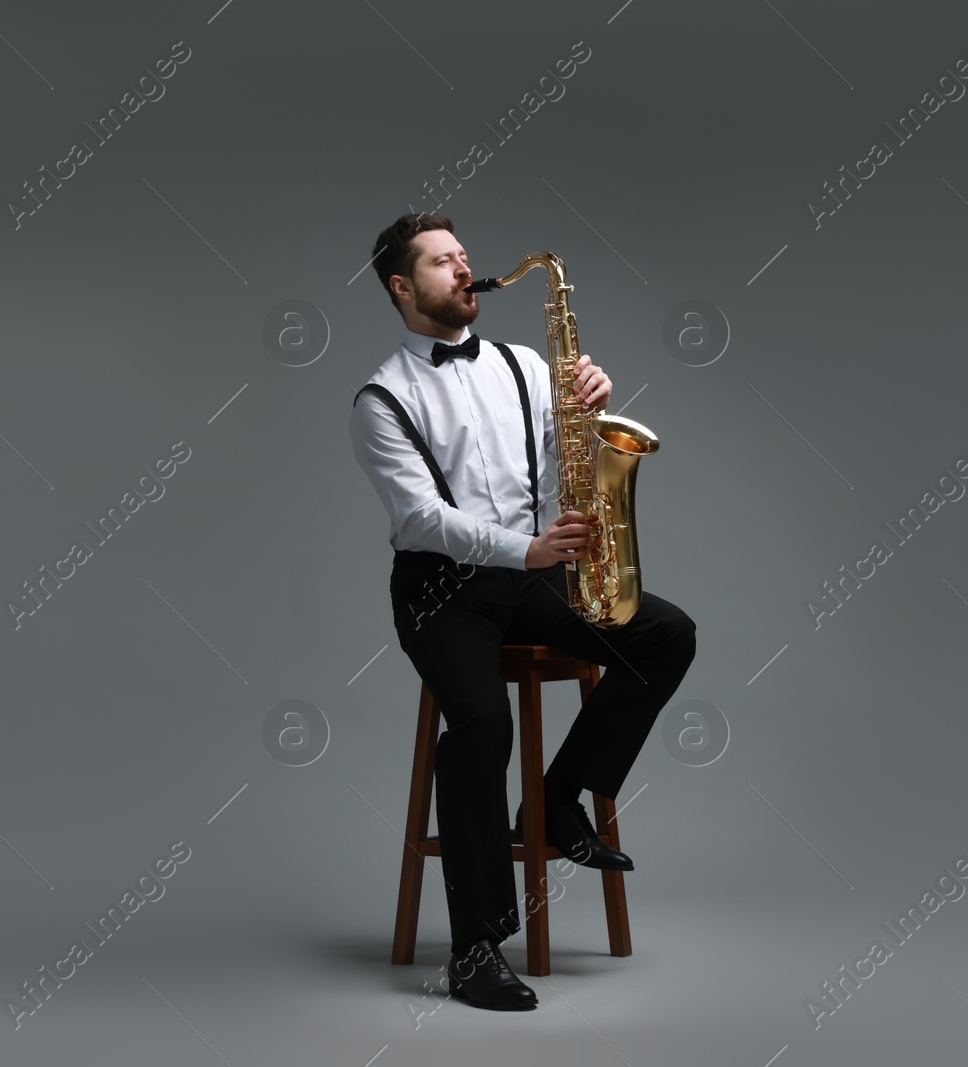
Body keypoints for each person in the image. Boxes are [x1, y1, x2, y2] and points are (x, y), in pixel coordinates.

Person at [349, 212, 697, 1011]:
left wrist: (590, 396)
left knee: (666, 633)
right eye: (442, 262)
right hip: (445, 589)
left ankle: (555, 799)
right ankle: (476, 946)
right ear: (403, 287)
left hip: (538, 576)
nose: (464, 270)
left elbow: (572, 444)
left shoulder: (527, 364)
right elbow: (421, 521)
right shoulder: (380, 399)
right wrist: (528, 550)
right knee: (481, 724)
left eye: (464, 256)